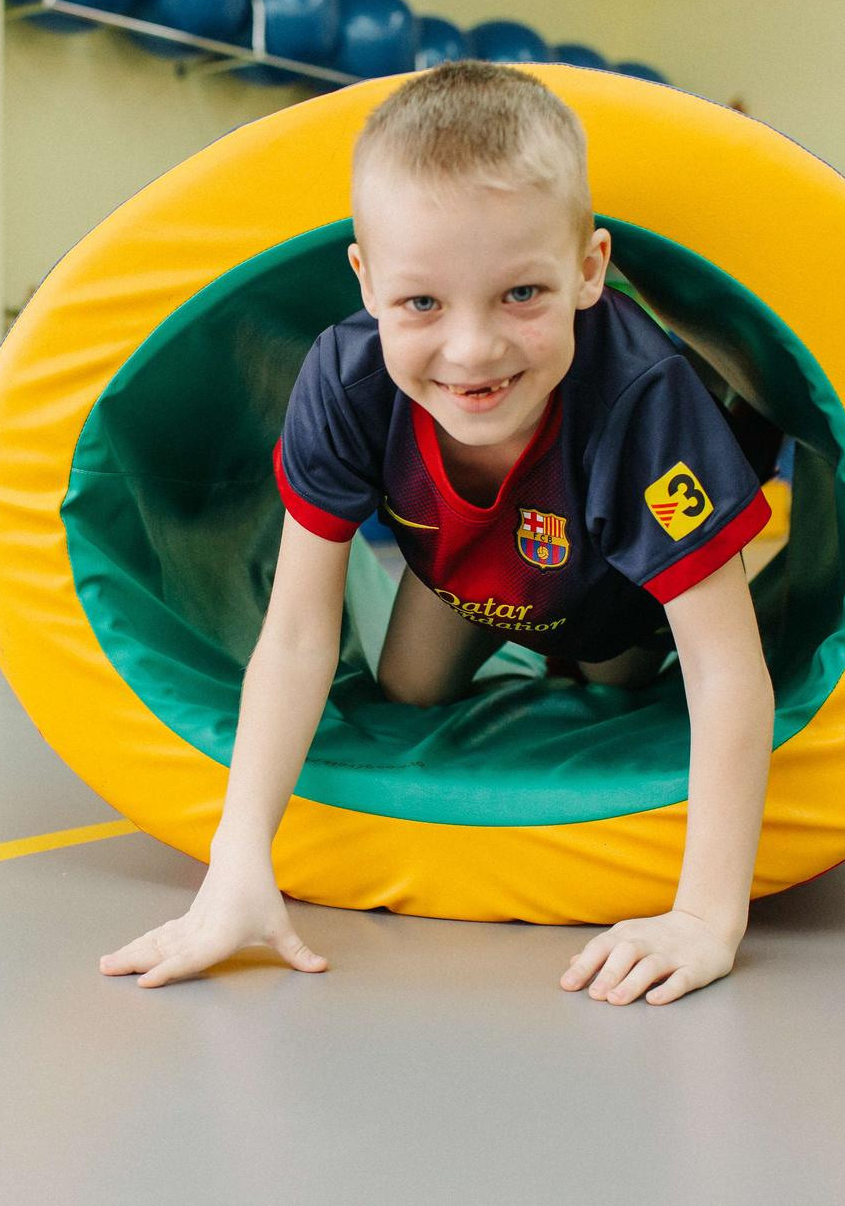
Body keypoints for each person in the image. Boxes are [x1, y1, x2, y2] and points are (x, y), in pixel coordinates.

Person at [100, 60, 776, 1005]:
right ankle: (502, 638)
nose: (472, 349)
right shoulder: (343, 379)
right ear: (366, 281)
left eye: (521, 295)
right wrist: (235, 858)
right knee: (406, 691)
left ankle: (588, 661)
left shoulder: (641, 396)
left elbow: (724, 667)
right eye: (421, 302)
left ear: (589, 270)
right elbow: (295, 633)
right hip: (456, 575)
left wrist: (708, 913)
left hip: (611, 597)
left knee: (619, 689)